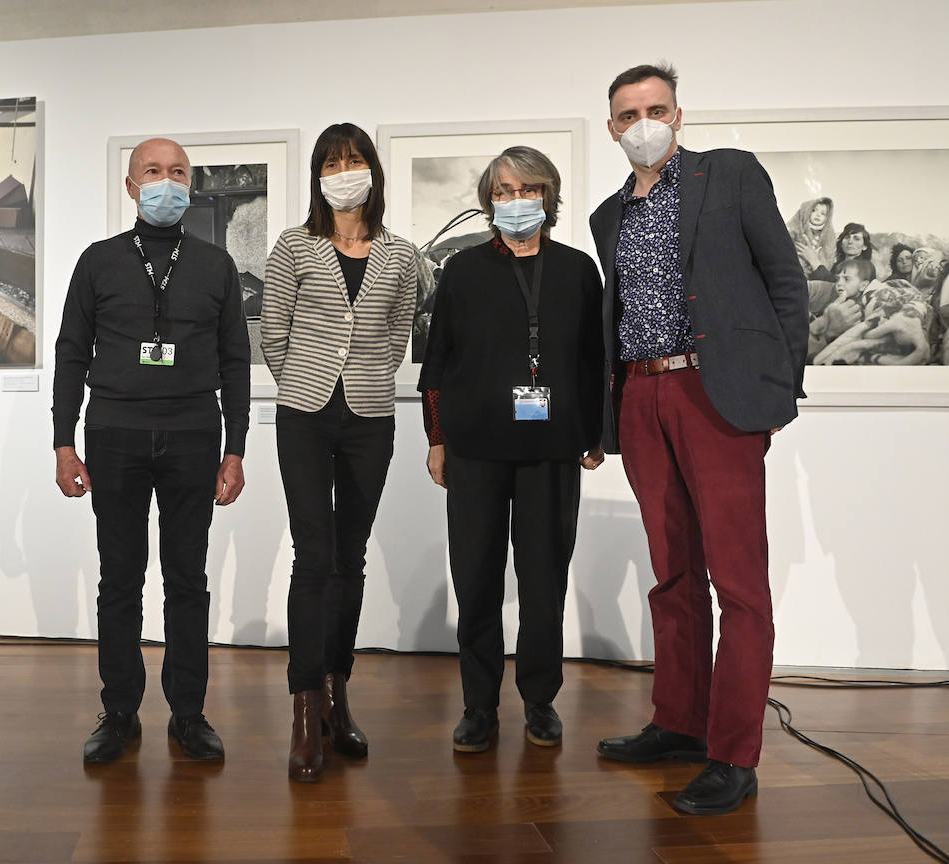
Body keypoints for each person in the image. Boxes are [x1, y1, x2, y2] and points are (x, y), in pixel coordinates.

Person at [588, 64, 807, 816]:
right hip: (643, 395)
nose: (643, 121)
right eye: (628, 113)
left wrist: (781, 386)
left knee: (739, 583)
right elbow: (611, 323)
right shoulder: (605, 215)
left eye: (656, 108)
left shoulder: (732, 176)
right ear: (611, 126)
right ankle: (678, 721)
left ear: (678, 115)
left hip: (716, 392)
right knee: (672, 573)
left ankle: (732, 754)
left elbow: (785, 282)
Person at [52, 138, 251, 765]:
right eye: (153, 172)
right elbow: (70, 354)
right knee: (121, 578)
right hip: (114, 436)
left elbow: (235, 362)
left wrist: (236, 447)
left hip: (195, 435)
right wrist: (63, 441)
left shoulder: (215, 265)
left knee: (187, 579)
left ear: (190, 183)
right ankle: (119, 712)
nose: (167, 181)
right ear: (131, 186)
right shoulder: (98, 261)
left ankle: (188, 713)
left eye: (178, 172)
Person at [417, 146, 605, 756]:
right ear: (487, 199)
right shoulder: (464, 271)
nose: (515, 201)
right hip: (474, 449)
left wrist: (594, 432)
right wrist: (438, 439)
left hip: (551, 448)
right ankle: (478, 705)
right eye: (503, 190)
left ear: (549, 196)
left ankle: (541, 699)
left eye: (527, 190)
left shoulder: (578, 270)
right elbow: (437, 364)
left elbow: (594, 361)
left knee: (544, 577)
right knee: (475, 578)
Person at [261, 123, 418, 782]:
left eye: (354, 160)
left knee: (349, 555)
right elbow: (273, 332)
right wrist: (304, 381)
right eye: (332, 161)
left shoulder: (402, 254)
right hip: (303, 415)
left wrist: (368, 380)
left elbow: (399, 331)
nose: (344, 169)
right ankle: (303, 712)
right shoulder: (293, 245)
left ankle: (336, 696)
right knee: (313, 554)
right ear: (318, 174)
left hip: (371, 418)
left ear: (373, 171)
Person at [786, 197, 836, 281]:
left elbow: (828, 261)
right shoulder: (795, 231)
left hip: (814, 280)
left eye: (823, 213)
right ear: (806, 212)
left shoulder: (828, 238)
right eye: (813, 210)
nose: (818, 215)